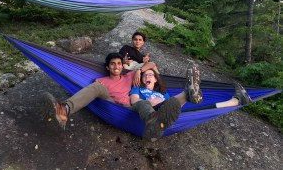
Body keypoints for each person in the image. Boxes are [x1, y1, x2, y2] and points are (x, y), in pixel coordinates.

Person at [41, 52, 203, 140]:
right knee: (98, 87)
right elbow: (92, 91)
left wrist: (139, 70)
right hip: (111, 104)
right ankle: (65, 110)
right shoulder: (100, 80)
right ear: (108, 67)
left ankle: (161, 114)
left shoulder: (130, 76)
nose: (116, 66)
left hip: (131, 107)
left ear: (122, 66)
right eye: (113, 64)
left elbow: (152, 65)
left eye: (119, 63)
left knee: (146, 103)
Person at [130, 68, 252, 139]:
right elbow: (135, 101)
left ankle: (235, 101)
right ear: (141, 79)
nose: (147, 77)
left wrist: (162, 101)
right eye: (144, 76)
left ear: (155, 79)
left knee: (193, 109)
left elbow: (171, 106)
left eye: (150, 75)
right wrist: (151, 102)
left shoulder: (164, 94)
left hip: (163, 112)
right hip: (145, 111)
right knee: (144, 103)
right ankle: (188, 93)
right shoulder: (138, 89)